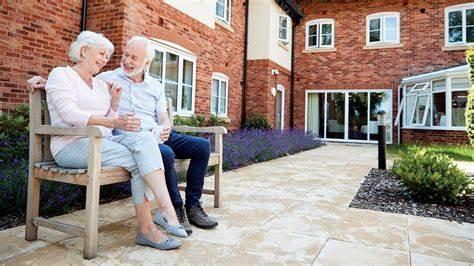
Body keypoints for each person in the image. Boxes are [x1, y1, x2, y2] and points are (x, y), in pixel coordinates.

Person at [28, 36, 218, 235]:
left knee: (202, 146)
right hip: (127, 137)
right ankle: (174, 209)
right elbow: (75, 82)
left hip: (154, 133)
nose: (127, 61)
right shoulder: (107, 77)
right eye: (125, 55)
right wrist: (47, 82)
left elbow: (162, 116)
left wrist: (165, 126)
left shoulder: (154, 85)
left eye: (134, 58)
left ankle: (193, 206)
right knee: (163, 153)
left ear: (147, 62)